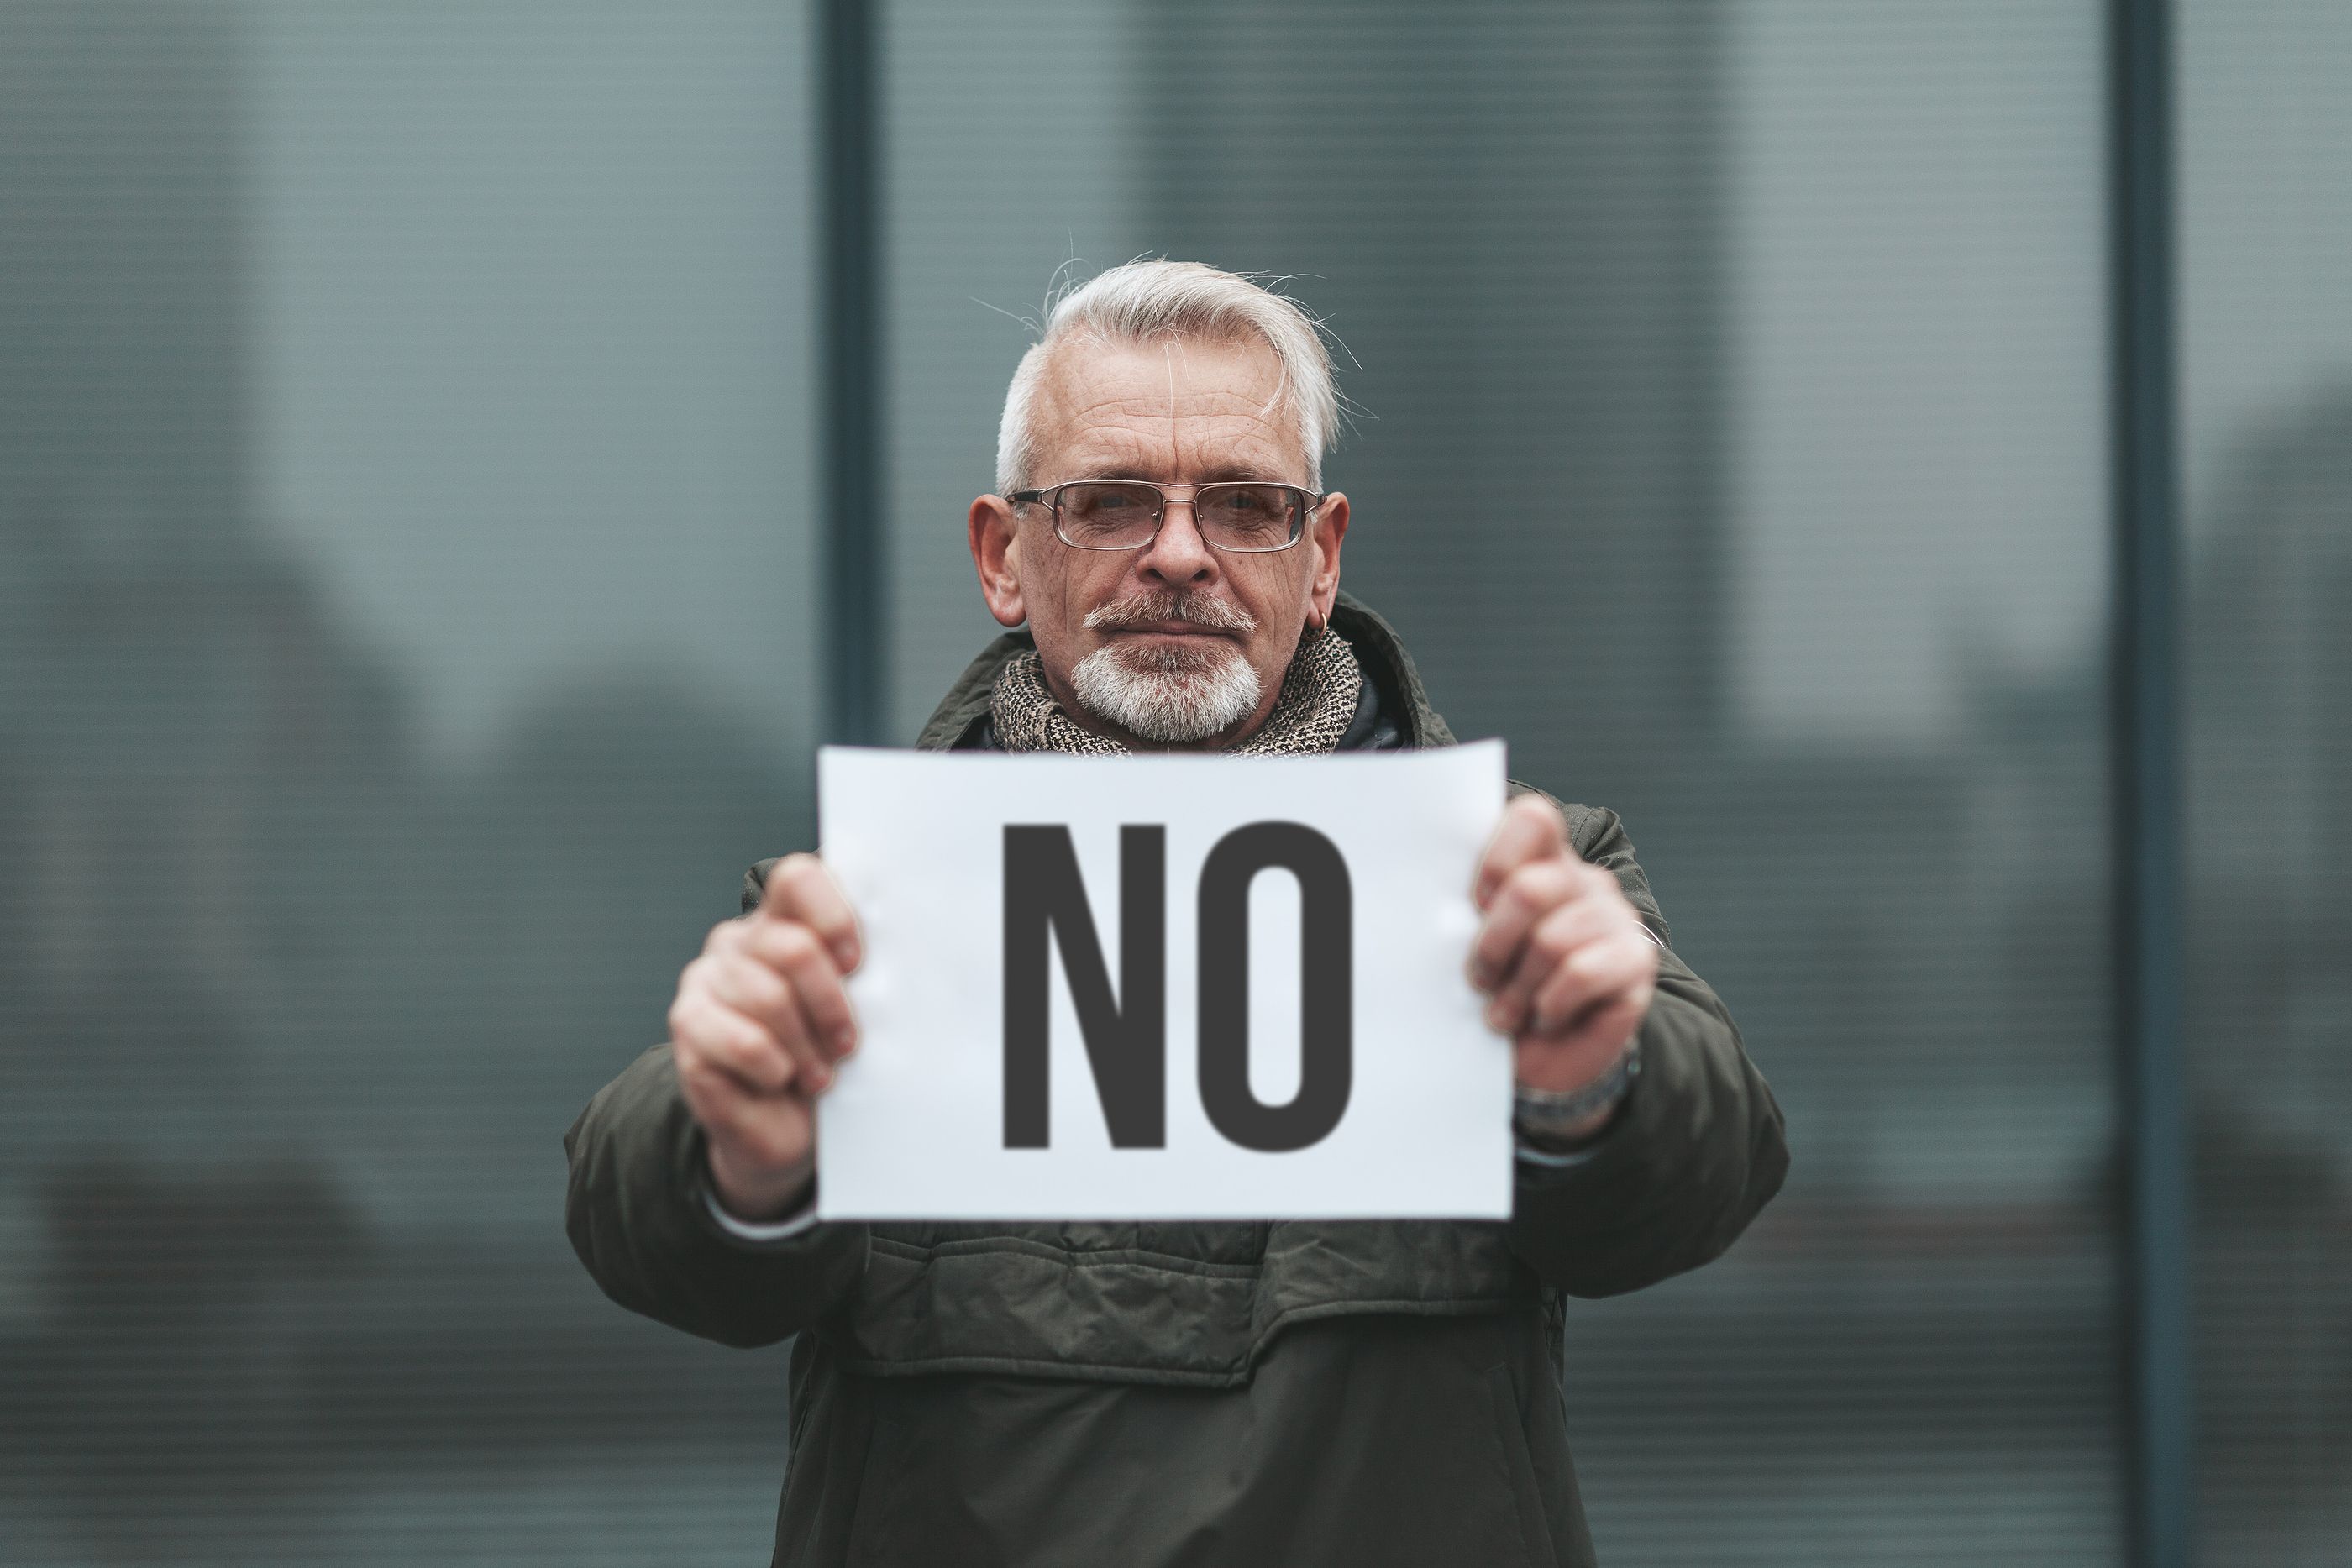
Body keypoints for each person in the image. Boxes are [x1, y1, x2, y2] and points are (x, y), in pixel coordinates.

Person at [564, 260, 1787, 1567]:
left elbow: (1704, 1174)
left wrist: (1595, 1088)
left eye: (1249, 507)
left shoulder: (1519, 885)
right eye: (1107, 505)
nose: (1182, 554)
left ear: (1320, 563)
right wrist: (740, 1155)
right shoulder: (861, 908)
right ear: (1002, 556)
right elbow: (646, 1222)